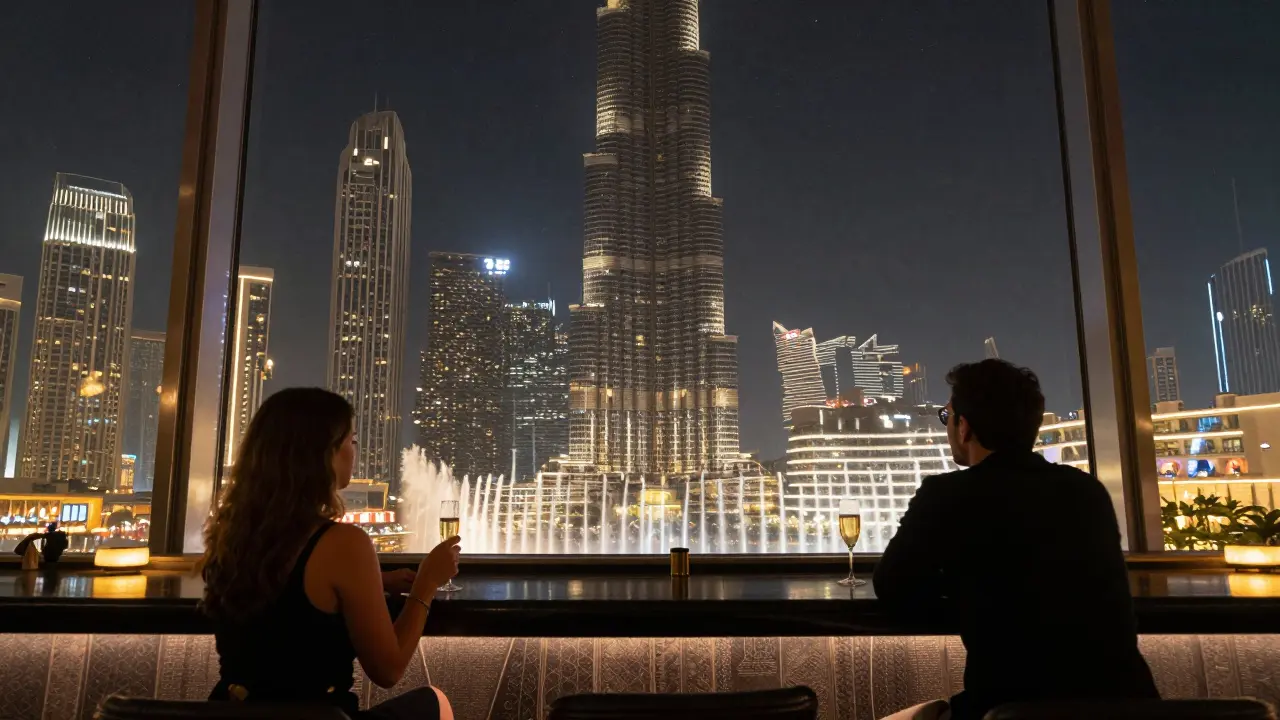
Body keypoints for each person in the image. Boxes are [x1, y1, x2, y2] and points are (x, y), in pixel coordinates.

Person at [873, 360, 1158, 720]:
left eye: (947, 418)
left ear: (964, 427)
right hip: (1131, 709)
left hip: (1008, 710)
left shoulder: (947, 494)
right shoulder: (1085, 490)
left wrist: (968, 596)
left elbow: (892, 586)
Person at [202, 387, 457, 719]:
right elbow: (388, 670)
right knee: (434, 702)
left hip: (230, 712)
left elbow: (288, 596)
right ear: (323, 454)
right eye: (350, 441)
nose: (355, 450)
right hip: (318, 714)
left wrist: (372, 582)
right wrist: (426, 583)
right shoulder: (344, 543)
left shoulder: (229, 536)